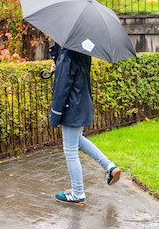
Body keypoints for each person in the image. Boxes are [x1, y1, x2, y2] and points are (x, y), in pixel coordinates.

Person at [49, 45, 121, 205]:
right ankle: (109, 166)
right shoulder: (82, 52)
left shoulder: (67, 55)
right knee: (77, 140)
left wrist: (55, 114)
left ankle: (77, 193)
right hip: (81, 104)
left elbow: (62, 89)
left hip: (72, 108)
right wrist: (57, 61)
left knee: (70, 151)